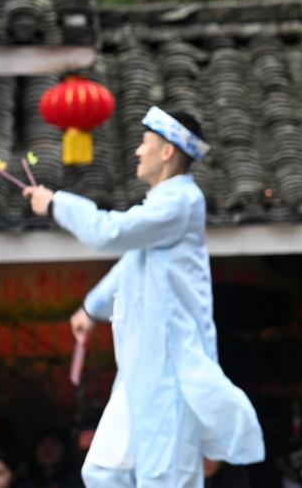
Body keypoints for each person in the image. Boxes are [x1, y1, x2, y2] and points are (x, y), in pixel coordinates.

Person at [23, 107, 264, 487]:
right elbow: (131, 263)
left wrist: (56, 204)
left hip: (170, 370)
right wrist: (91, 308)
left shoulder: (180, 202)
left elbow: (110, 233)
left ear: (167, 151)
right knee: (104, 471)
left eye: (144, 142)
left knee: (164, 477)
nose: (137, 151)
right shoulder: (162, 207)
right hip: (143, 367)